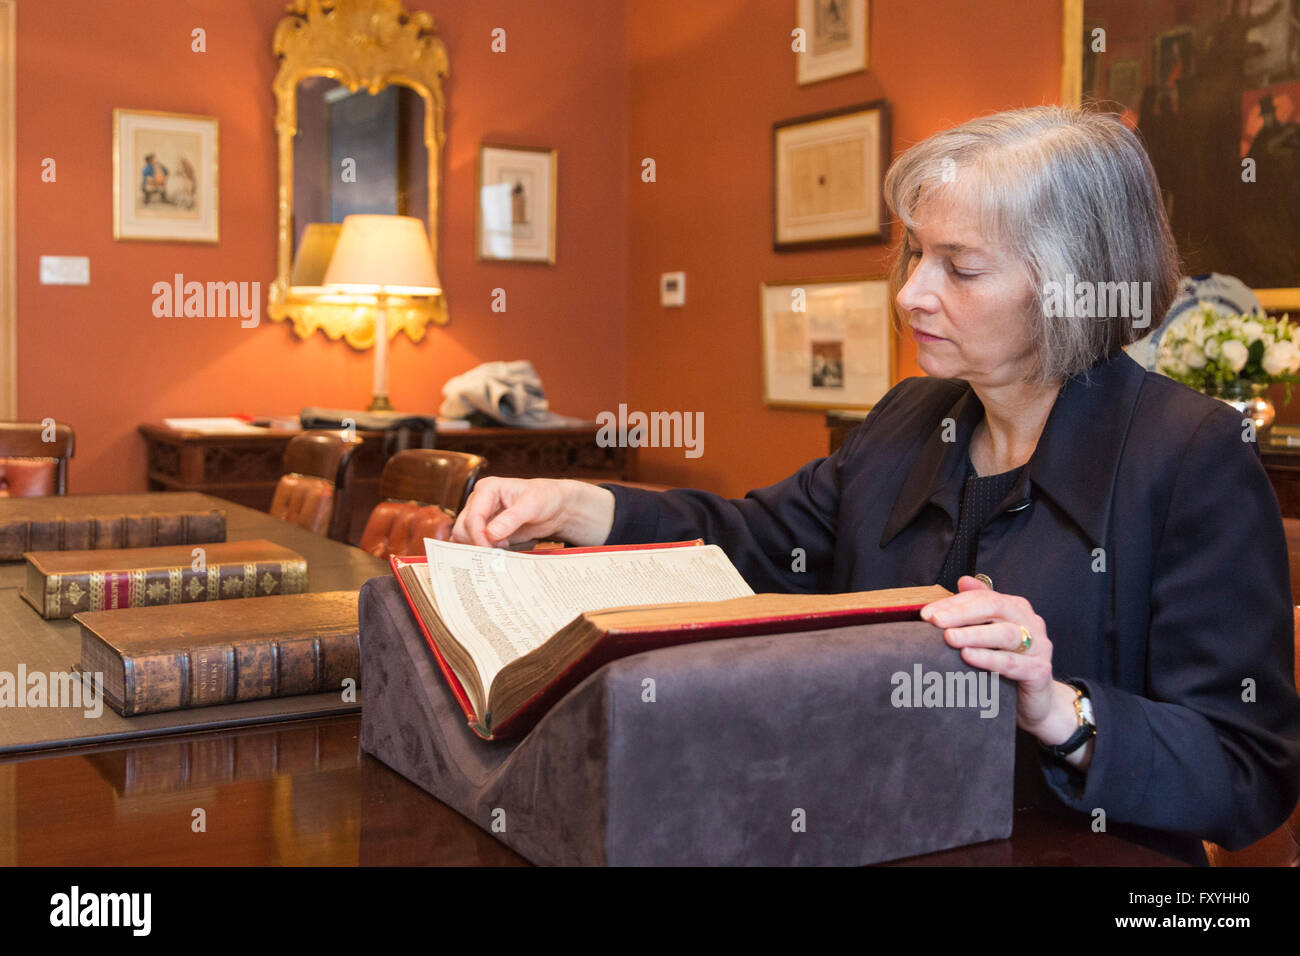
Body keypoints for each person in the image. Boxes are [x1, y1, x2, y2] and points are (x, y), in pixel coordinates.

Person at [452, 106, 1300, 865]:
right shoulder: (909, 418)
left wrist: (1063, 709)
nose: (910, 294)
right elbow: (753, 544)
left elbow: (1248, 773)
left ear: (1074, 287)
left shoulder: (1190, 454)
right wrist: (575, 505)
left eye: (960, 269)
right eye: (914, 255)